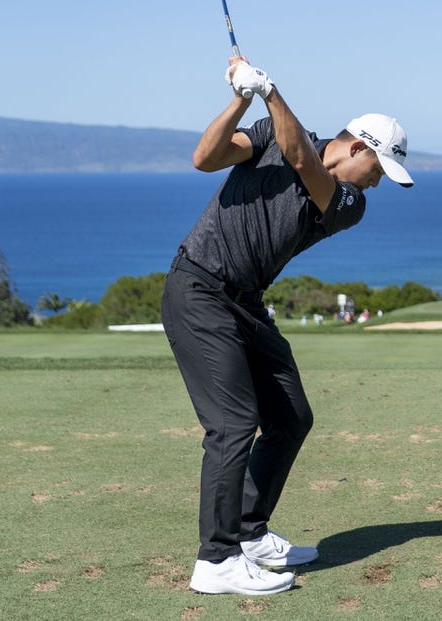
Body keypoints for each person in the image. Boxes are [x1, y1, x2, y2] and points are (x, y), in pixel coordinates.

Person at [161, 56, 413, 595]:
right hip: (198, 289)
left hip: (245, 301)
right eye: (378, 171)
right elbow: (205, 158)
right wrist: (242, 99)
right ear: (358, 149)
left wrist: (270, 89)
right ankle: (216, 560)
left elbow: (302, 159)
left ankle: (249, 534)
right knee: (232, 424)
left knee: (290, 416)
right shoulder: (268, 134)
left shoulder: (347, 203)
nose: (377, 185)